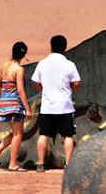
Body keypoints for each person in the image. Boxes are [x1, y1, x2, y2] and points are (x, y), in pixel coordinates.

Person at [31, 35, 81, 172]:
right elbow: (77, 82)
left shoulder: (42, 63)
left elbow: (35, 81)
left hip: (47, 106)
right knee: (68, 135)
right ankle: (68, 164)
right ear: (65, 48)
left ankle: (40, 163)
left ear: (51, 46)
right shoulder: (69, 64)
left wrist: (42, 89)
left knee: (44, 135)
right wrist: (71, 88)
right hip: (65, 106)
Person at [0, 41, 32, 171]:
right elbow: (20, 90)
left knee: (15, 133)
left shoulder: (4, 65)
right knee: (18, 134)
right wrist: (27, 109)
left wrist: (5, 95)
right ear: (24, 54)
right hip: (15, 104)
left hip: (4, 103)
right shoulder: (19, 69)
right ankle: (13, 163)